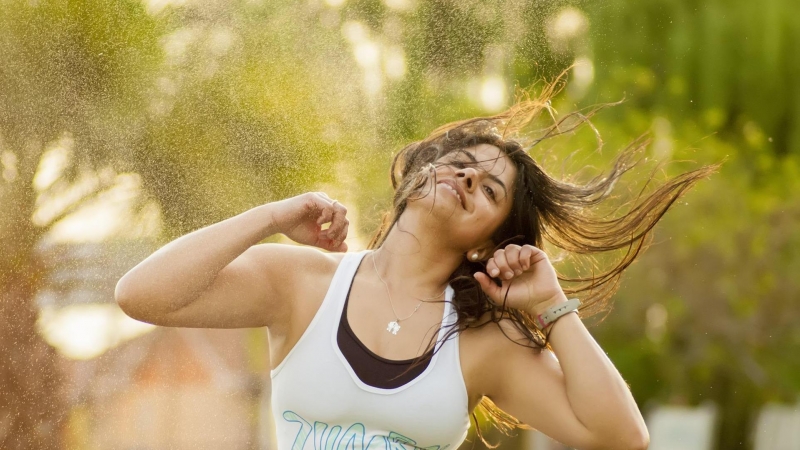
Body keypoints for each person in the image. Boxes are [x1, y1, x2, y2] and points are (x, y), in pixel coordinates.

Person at [115, 81, 715, 450]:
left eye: (490, 191)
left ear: (488, 242)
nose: (469, 176)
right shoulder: (301, 284)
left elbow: (623, 437)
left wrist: (551, 308)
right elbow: (141, 295)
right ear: (424, 170)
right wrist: (272, 216)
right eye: (462, 161)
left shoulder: (485, 343)